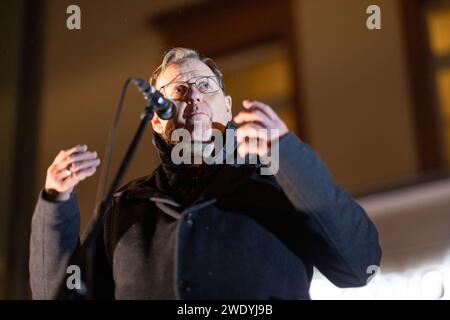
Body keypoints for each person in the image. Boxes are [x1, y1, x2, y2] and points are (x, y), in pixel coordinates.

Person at [29, 47, 381, 300]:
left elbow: (358, 266)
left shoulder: (276, 185)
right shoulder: (123, 207)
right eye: (179, 90)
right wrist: (54, 204)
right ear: (156, 119)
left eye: (205, 86)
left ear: (227, 109)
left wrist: (288, 152)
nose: (193, 96)